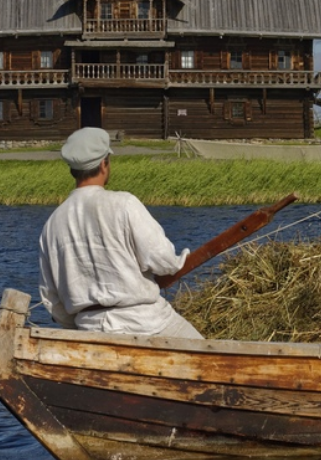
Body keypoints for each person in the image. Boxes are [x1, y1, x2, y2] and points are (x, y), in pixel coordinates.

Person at [38, 127, 203, 339]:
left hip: (90, 330)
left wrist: (78, 327)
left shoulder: (52, 224)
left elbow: (51, 299)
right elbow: (163, 261)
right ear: (103, 164)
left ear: (72, 170)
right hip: (147, 322)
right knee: (212, 355)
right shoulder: (124, 204)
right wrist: (181, 259)